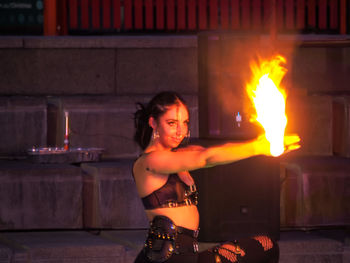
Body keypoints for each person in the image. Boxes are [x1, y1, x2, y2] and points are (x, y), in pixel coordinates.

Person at [132, 91, 300, 263]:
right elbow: (206, 158)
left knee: (266, 245)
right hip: (165, 259)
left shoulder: (180, 155)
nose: (180, 131)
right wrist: (259, 147)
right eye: (172, 123)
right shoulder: (149, 161)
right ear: (153, 122)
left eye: (185, 123)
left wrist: (265, 139)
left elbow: (214, 152)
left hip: (190, 256)